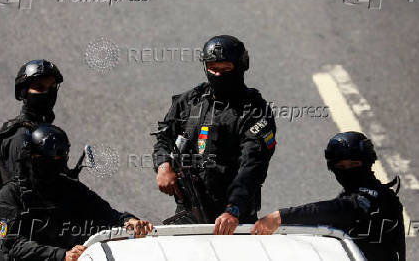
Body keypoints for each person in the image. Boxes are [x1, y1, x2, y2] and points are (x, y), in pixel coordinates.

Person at [153, 35, 276, 235]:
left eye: (225, 69)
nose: (218, 74)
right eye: (213, 68)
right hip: (190, 210)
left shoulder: (254, 111)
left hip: (234, 218)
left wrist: (233, 209)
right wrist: (163, 165)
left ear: (240, 66)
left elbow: (252, 166)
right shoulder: (189, 102)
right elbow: (164, 139)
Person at [0, 123, 153, 261]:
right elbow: (13, 244)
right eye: (45, 159)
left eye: (58, 159)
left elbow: (106, 213)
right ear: (31, 158)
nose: (52, 165)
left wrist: (128, 221)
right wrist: (61, 256)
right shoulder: (10, 195)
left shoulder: (71, 188)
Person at [251, 131, 405, 261]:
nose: (348, 170)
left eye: (354, 164)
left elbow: (341, 209)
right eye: (341, 167)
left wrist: (281, 217)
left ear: (368, 162)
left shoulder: (378, 197)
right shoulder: (349, 196)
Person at [0, 59, 67, 215]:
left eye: (52, 87)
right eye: (40, 88)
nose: (48, 93)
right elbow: (18, 192)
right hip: (26, 230)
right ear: (24, 92)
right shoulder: (20, 136)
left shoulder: (43, 129)